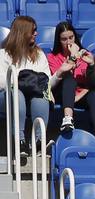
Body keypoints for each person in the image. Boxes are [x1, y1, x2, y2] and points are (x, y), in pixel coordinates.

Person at [0, 16, 53, 157]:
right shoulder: (3, 54)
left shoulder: (39, 54)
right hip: (6, 96)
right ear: (23, 32)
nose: (36, 34)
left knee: (41, 96)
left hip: (32, 93)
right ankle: (20, 140)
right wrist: (22, 82)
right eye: (33, 30)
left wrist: (59, 74)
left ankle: (38, 141)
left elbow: (45, 79)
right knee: (17, 93)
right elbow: (1, 82)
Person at [47, 23, 95, 141]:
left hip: (81, 94)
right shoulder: (52, 57)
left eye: (71, 37)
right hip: (61, 94)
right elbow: (58, 79)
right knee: (69, 79)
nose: (68, 42)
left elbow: (94, 84)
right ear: (58, 40)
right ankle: (67, 118)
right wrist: (73, 56)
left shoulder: (86, 55)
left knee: (94, 93)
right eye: (64, 39)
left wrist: (92, 64)